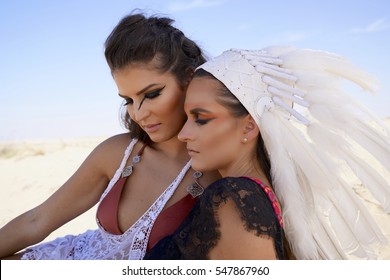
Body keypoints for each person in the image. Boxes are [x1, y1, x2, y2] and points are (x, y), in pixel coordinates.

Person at [0, 12, 220, 260]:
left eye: (152, 94)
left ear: (189, 78)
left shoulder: (220, 168)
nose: (138, 113)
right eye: (129, 100)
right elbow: (36, 220)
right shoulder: (118, 152)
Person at [144, 47, 390, 260]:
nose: (183, 134)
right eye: (187, 118)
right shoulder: (252, 197)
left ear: (249, 126)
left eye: (201, 119)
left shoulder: (234, 200)